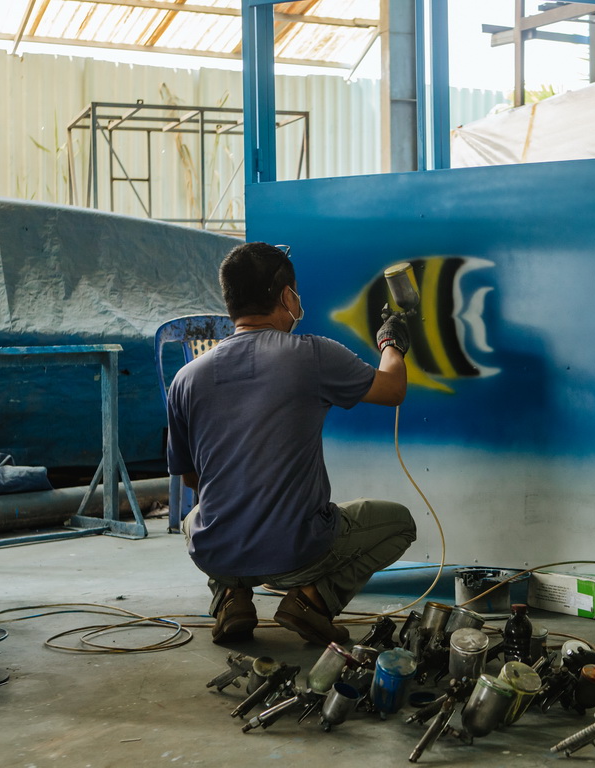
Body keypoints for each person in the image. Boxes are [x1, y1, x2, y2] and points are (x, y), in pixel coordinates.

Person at [166, 242, 417, 645]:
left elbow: (192, 479)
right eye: (295, 293)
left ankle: (230, 597)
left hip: (218, 554)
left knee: (194, 518)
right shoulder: (311, 355)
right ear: (287, 296)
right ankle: (311, 601)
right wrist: (391, 342)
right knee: (399, 523)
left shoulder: (185, 379)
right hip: (300, 555)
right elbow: (392, 389)